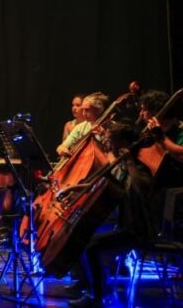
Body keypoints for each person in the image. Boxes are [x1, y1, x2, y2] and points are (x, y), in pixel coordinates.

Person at [70, 123, 160, 305]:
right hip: (122, 226)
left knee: (92, 247)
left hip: (138, 232)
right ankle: (98, 289)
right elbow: (101, 184)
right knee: (84, 239)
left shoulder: (139, 167)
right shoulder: (121, 166)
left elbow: (142, 188)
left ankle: (97, 297)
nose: (108, 142)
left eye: (112, 139)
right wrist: (74, 190)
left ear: (124, 143)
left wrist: (130, 161)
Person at [57, 93, 108, 158]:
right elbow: (62, 147)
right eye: (83, 109)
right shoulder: (81, 127)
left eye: (87, 110)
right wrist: (62, 149)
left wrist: (105, 136)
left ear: (98, 110)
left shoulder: (110, 127)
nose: (83, 113)